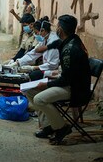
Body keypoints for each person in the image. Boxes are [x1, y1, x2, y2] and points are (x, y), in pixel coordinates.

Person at [26, 15, 91, 145]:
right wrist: (46, 47)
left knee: (39, 98)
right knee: (30, 91)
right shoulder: (72, 40)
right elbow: (57, 44)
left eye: (58, 26)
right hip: (69, 83)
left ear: (61, 29)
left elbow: (65, 80)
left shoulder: (70, 49)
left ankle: (62, 128)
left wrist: (47, 84)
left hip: (75, 89)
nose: (56, 29)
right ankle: (49, 125)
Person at [13, 16, 60, 81]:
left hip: (55, 73)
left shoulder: (53, 41)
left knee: (32, 75)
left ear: (43, 30)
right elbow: (34, 53)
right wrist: (18, 62)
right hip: (47, 69)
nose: (35, 35)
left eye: (36, 33)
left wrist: (33, 68)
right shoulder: (44, 39)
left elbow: (52, 65)